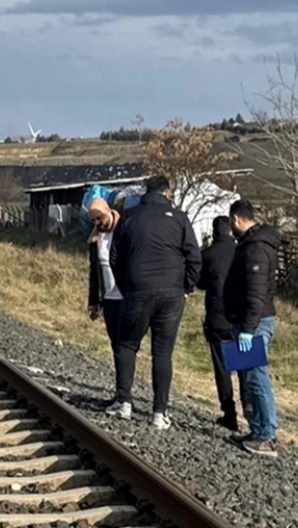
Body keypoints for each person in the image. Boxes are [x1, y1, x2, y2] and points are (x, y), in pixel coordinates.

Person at [108, 175, 201, 429]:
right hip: (171, 294)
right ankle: (159, 412)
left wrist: (126, 287)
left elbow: (114, 257)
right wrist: (186, 287)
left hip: (137, 290)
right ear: (168, 193)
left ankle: (124, 402)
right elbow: (194, 257)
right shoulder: (180, 219)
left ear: (145, 192)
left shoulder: (129, 217)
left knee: (126, 344)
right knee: (162, 352)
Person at [223, 199, 281, 457]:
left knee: (257, 377)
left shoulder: (255, 249)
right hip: (245, 320)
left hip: (253, 323)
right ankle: (257, 430)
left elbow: (256, 294)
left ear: (236, 219)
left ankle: (267, 435)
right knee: (246, 377)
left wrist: (247, 328)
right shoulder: (251, 245)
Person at [197, 215, 244, 432]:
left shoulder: (207, 254)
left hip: (217, 318)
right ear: (230, 230)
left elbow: (200, 283)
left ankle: (229, 412)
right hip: (242, 320)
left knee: (222, 368)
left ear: (214, 232)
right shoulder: (242, 251)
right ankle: (253, 414)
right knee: (246, 367)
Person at [86, 191, 124, 413]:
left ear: (109, 211)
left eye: (100, 218)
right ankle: (120, 393)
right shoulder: (96, 238)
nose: (98, 223)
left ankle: (124, 394)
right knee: (116, 347)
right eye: (93, 220)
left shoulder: (124, 231)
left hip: (127, 297)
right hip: (109, 299)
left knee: (125, 347)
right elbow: (94, 271)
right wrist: (93, 302)